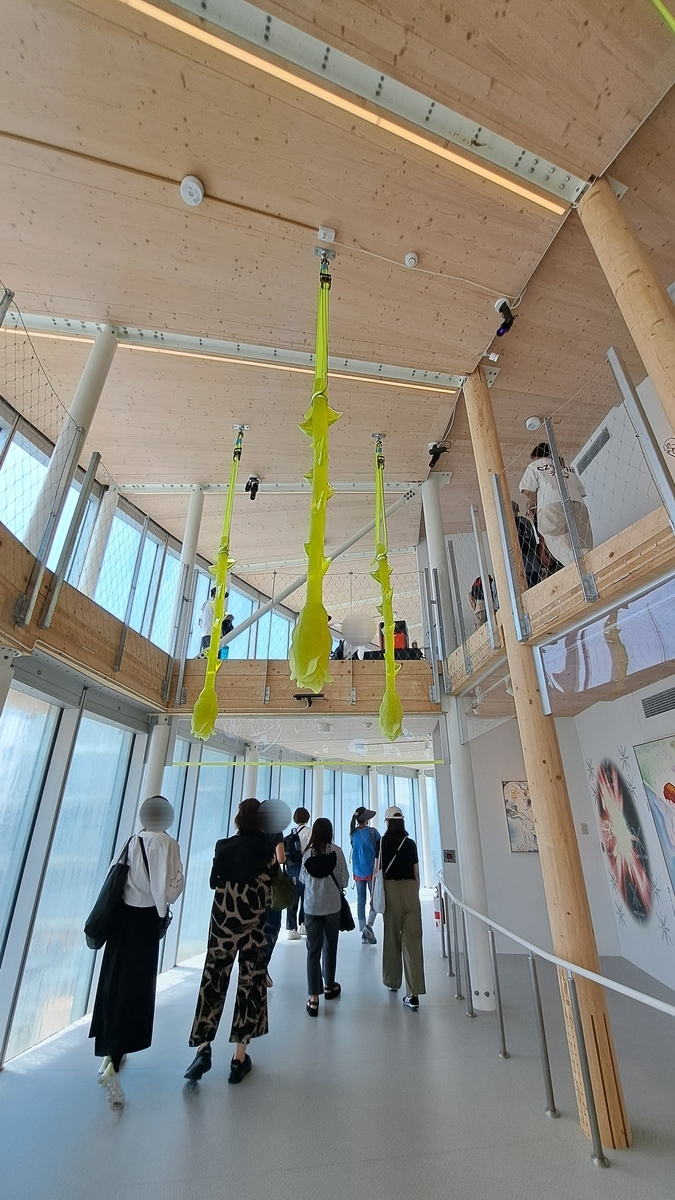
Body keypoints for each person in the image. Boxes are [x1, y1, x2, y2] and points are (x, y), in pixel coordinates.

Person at [90, 795, 184, 1111]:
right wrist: (165, 906)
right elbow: (169, 890)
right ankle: (113, 1065)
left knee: (115, 983)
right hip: (145, 922)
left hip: (122, 920)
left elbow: (115, 876)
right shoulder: (168, 844)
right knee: (136, 990)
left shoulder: (133, 840)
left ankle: (109, 1054)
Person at [184, 797, 276, 1086]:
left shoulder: (223, 846)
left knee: (212, 981)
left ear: (239, 819)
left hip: (222, 925)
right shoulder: (266, 848)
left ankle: (203, 1048)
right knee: (250, 984)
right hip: (254, 927)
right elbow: (271, 885)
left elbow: (214, 881)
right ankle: (238, 1059)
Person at [375, 805, 426, 1010]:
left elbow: (377, 870)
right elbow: (416, 873)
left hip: (390, 891)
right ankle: (413, 993)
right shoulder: (411, 844)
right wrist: (415, 893)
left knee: (391, 937)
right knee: (413, 941)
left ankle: (392, 981)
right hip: (410, 890)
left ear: (387, 822)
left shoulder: (382, 842)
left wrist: (374, 897)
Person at [299, 817, 349, 1016]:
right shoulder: (336, 852)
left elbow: (303, 879)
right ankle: (329, 986)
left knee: (313, 951)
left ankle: (313, 999)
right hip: (333, 906)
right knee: (330, 947)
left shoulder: (307, 854)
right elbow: (344, 880)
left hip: (312, 907)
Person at [519, 442, 593, 568]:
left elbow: (527, 490)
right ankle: (591, 558)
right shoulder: (568, 468)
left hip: (550, 503)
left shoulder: (535, 465)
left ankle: (579, 564)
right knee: (582, 537)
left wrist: (532, 504)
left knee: (555, 536)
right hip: (577, 502)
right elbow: (581, 491)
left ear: (536, 456)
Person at [349, 806, 380, 944]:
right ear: (366, 819)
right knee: (375, 899)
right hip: (372, 871)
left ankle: (363, 933)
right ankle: (369, 926)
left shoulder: (353, 833)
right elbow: (380, 849)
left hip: (358, 871)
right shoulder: (372, 832)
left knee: (360, 901)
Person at [284, 806, 312, 939]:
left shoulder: (291, 833)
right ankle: (303, 924)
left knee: (293, 898)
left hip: (292, 869)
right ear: (307, 818)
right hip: (305, 868)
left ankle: (291, 929)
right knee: (305, 896)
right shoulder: (310, 832)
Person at [511, 500, 545, 588]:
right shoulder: (523, 522)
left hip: (518, 567)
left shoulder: (508, 525)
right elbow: (532, 541)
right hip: (531, 564)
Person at [199, 586, 232, 655]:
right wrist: (229, 617)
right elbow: (225, 616)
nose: (223, 599)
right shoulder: (214, 602)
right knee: (215, 656)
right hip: (212, 634)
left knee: (207, 656)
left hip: (204, 634)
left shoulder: (206, 604)